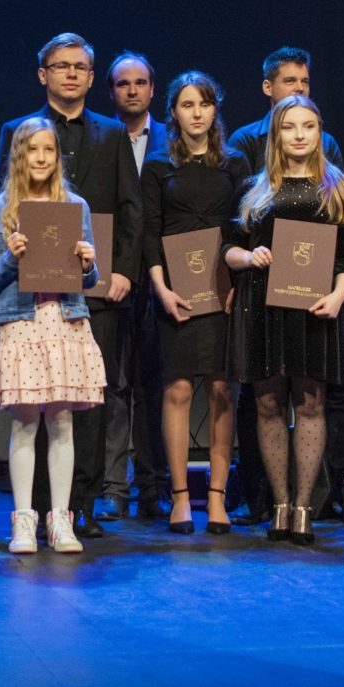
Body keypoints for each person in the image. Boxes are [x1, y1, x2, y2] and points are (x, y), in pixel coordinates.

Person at [0, 34, 141, 538]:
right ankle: (35, 510)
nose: (72, 73)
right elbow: (3, 203)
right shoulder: (17, 131)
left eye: (80, 66)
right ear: (44, 74)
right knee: (35, 404)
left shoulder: (112, 133)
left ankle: (80, 507)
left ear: (91, 76)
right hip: (31, 296)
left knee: (87, 401)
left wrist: (121, 272)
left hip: (90, 287)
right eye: (61, 66)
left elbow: (131, 208)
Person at [225, 48, 344, 528]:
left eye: (308, 127)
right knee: (268, 404)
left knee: (311, 405)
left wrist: (338, 295)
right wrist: (248, 257)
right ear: (276, 132)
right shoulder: (255, 188)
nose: (299, 135)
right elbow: (228, 247)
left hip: (317, 308)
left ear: (319, 131)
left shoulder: (339, 188)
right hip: (263, 308)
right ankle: (280, 505)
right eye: (289, 127)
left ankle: (305, 507)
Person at [0, 120, 104, 554]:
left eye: (49, 150)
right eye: (33, 149)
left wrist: (88, 264)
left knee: (62, 421)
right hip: (22, 321)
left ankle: (61, 520)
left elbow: (91, 277)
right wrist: (10, 258)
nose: (42, 157)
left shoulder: (75, 206)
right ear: (19, 154)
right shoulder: (0, 209)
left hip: (65, 320)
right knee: (26, 422)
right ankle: (24, 520)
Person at [143, 72, 250, 534]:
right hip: (177, 290)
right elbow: (150, 231)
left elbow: (244, 229)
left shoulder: (235, 163)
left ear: (215, 109)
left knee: (222, 390)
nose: (197, 113)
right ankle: (181, 497)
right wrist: (160, 288)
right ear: (173, 112)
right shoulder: (157, 165)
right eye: (187, 105)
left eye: (205, 104)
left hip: (224, 289)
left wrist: (238, 284)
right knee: (179, 389)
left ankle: (218, 497)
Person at [95, 52, 169, 522]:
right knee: (114, 385)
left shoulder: (173, 138)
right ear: (111, 91)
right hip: (115, 276)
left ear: (153, 89)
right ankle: (113, 488)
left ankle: (153, 486)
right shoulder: (102, 137)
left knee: (155, 386)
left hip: (162, 277)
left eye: (141, 82)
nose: (133, 90)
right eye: (123, 83)